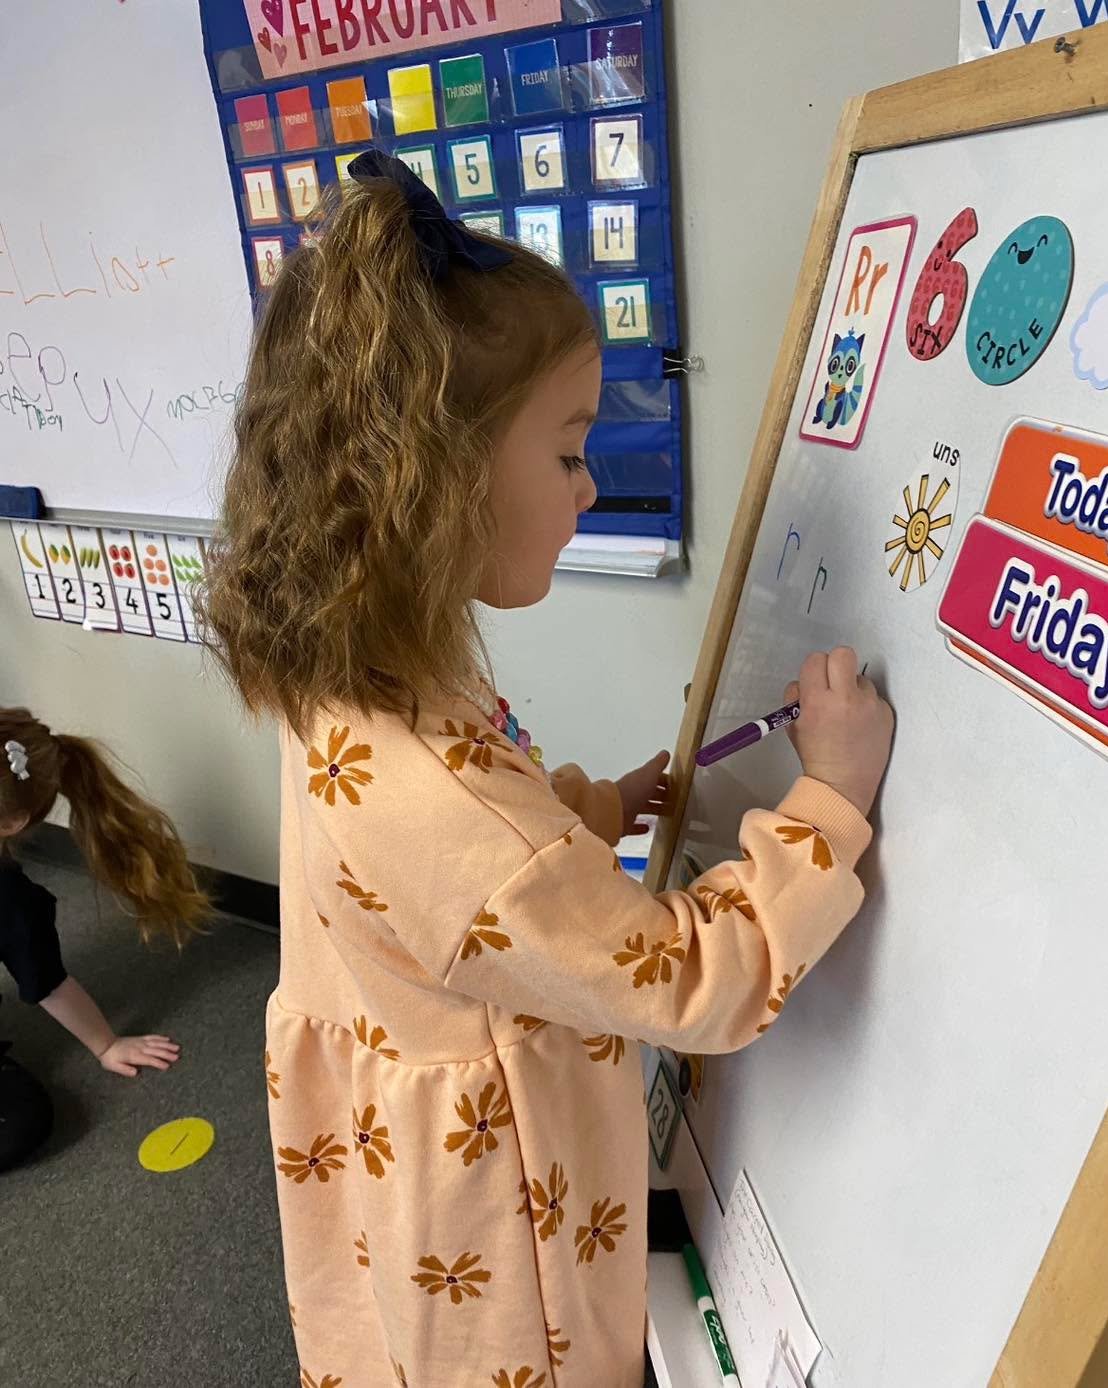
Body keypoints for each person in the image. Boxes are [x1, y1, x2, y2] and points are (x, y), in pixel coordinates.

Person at [201, 149, 894, 1388]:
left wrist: (585, 810)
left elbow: (453, 900)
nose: (589, 487)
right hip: (504, 1261)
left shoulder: (351, 679)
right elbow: (692, 978)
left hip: (397, 1182)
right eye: (569, 450)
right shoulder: (447, 798)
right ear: (438, 478)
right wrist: (830, 799)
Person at [0, 709, 208, 1168]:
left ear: (12, 823)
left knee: (23, 1125)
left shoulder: (12, 906)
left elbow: (48, 983)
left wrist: (106, 1044)